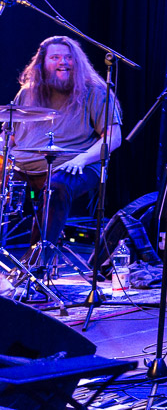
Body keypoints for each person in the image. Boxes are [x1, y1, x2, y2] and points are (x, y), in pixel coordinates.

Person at [10, 36, 122, 267]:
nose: (63, 62)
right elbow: (9, 137)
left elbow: (114, 137)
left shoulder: (96, 92)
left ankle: (35, 265)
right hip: (23, 167)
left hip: (75, 165)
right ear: (42, 64)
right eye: (55, 57)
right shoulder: (27, 93)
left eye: (69, 57)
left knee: (56, 187)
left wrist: (82, 159)